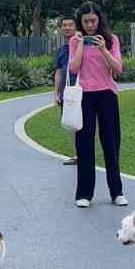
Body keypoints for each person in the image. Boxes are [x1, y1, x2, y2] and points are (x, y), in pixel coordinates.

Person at [67, 0, 127, 209]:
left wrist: (103, 49)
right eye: (85, 22)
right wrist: (81, 44)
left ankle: (116, 192)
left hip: (107, 94)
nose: (90, 25)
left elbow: (118, 68)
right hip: (85, 96)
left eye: (93, 21)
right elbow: (73, 69)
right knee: (84, 145)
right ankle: (84, 193)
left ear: (99, 19)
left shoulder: (111, 40)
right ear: (80, 22)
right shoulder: (76, 41)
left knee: (111, 142)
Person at [53, 15, 79, 165]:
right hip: (67, 93)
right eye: (64, 25)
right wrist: (56, 93)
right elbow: (58, 72)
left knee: (85, 124)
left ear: (76, 26)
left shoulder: (83, 45)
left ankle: (86, 154)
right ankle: (77, 155)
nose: (67, 27)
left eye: (70, 25)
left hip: (83, 91)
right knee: (71, 124)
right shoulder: (62, 50)